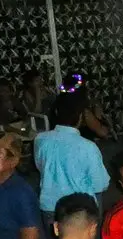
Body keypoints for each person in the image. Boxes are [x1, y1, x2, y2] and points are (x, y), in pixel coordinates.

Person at [35, 92, 110, 231]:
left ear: (56, 112)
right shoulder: (88, 146)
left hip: (50, 207)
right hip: (79, 211)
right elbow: (100, 184)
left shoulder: (40, 139)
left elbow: (40, 166)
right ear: (81, 117)